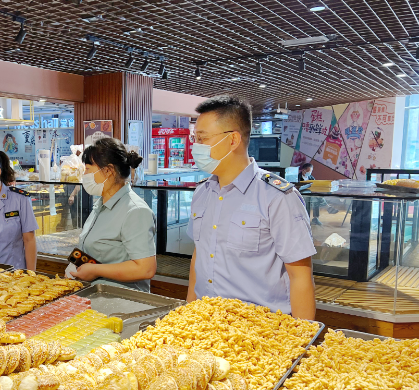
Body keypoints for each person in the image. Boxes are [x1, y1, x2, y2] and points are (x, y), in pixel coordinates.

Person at [186, 95, 316, 319]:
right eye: (195, 138)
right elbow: (199, 256)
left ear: (233, 140)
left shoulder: (276, 197)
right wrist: (188, 312)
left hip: (261, 332)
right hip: (206, 322)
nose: (196, 146)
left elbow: (300, 276)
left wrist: (303, 340)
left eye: (202, 138)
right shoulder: (202, 193)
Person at [68, 138, 157, 292]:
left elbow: (145, 269)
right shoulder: (101, 205)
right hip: (95, 296)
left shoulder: (135, 211)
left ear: (108, 171)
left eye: (88, 170)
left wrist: (94, 270)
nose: (85, 175)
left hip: (122, 301)